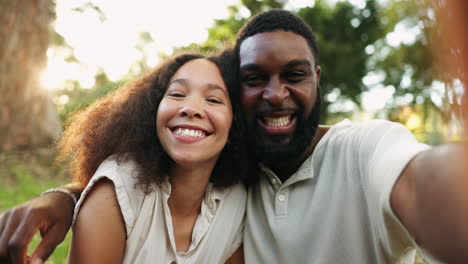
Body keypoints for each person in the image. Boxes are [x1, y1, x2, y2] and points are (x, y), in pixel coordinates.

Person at [1, 9, 468, 264]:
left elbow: (422, 183)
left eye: (294, 75)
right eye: (253, 79)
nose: (275, 93)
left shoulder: (368, 149)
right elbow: (137, 185)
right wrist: (69, 196)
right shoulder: (240, 180)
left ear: (318, 81)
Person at [1, 51, 249, 264]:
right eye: (176, 94)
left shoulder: (235, 203)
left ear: (235, 125)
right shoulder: (118, 188)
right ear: (152, 112)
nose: (191, 108)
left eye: (214, 99)